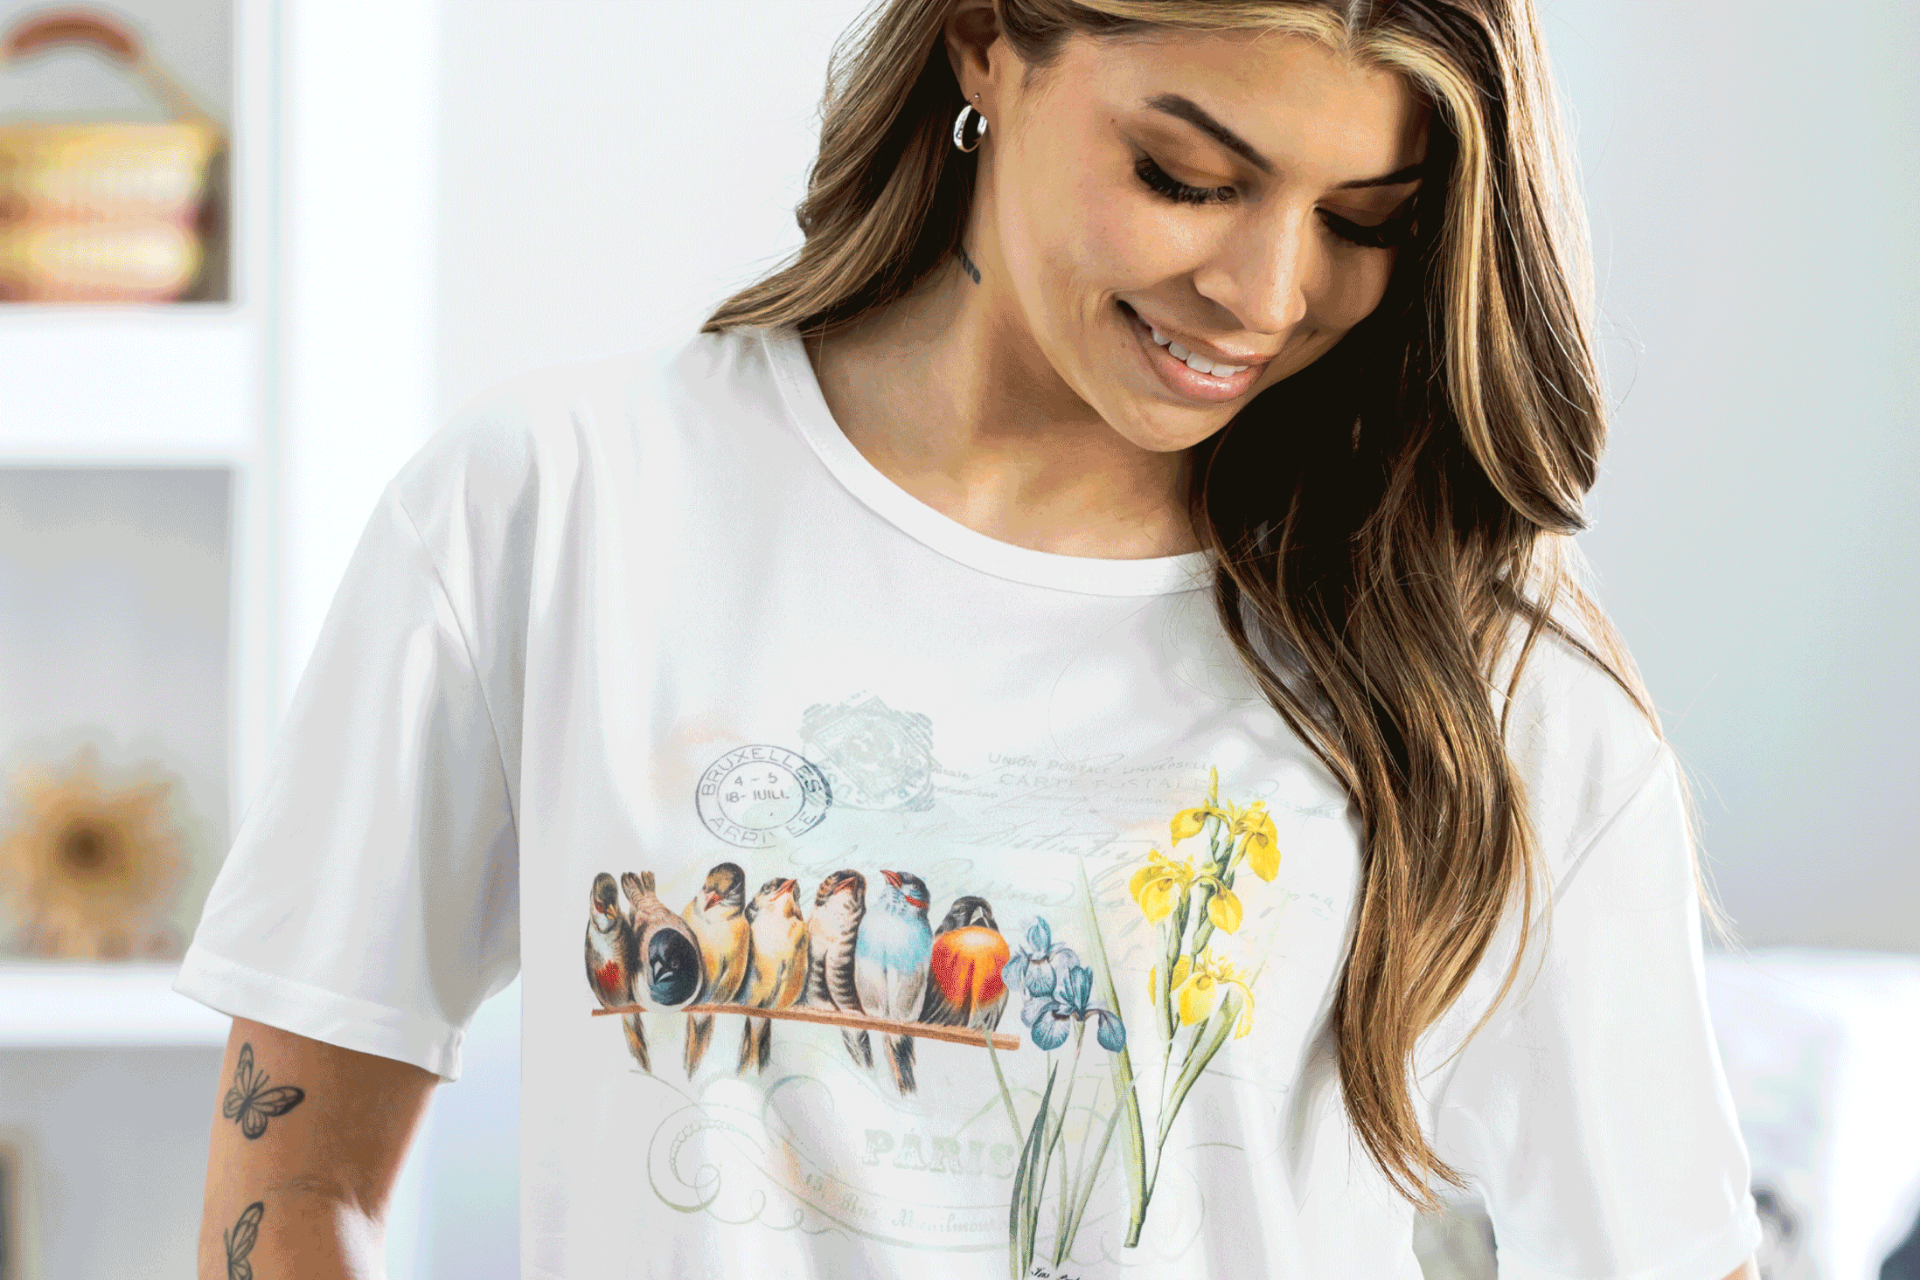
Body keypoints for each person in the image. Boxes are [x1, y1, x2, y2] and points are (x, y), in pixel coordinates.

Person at [180, 1, 1766, 1277]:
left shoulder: (1479, 676)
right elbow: (293, 1177)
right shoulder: (556, 505)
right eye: (1189, 178)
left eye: (1364, 220)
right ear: (987, 44)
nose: (1266, 293)